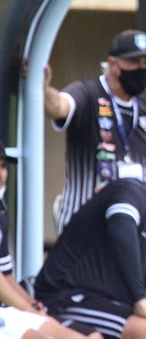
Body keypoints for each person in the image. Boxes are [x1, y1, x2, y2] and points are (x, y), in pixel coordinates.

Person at [34, 155, 146, 339]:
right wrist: (140, 300)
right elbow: (121, 232)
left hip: (120, 303)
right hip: (68, 296)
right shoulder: (132, 191)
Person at [44, 29, 146, 234]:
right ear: (113, 64)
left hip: (134, 225)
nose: (142, 69)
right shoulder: (88, 93)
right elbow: (59, 107)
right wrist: (42, 88)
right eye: (134, 62)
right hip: (84, 226)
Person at [0, 140, 101, 339]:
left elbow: (6, 276)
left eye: (2, 166)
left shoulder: (1, 214)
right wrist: (26, 308)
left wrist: (32, 305)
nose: (1, 174)